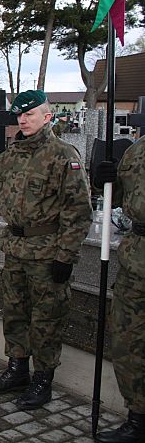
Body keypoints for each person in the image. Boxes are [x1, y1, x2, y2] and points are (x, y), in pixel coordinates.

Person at [0, 89, 91, 410]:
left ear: (47, 116)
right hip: (15, 248)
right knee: (14, 312)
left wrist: (66, 256)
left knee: (45, 318)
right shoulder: (12, 155)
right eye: (20, 115)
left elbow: (78, 211)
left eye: (30, 114)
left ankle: (42, 379)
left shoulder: (63, 155)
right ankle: (17, 369)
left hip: (47, 252)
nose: (23, 120)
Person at [93, 140, 145, 442]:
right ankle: (137, 418)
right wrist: (106, 181)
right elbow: (121, 199)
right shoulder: (137, 150)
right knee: (128, 342)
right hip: (135, 259)